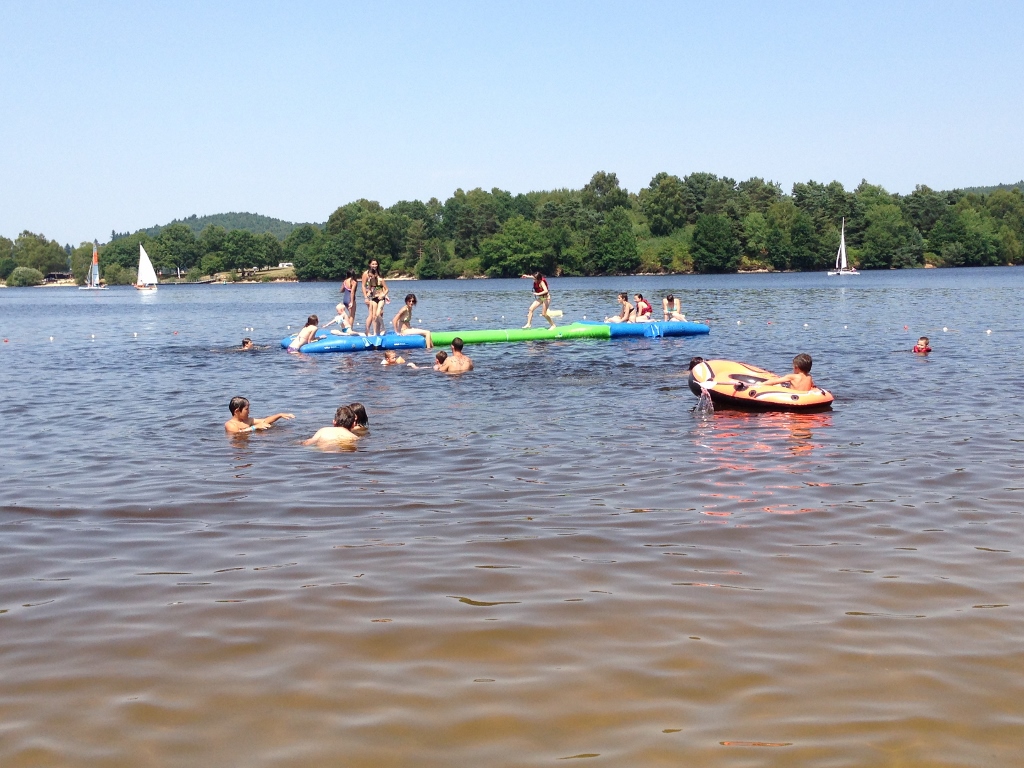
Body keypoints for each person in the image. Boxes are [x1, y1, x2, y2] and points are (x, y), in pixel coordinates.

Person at [224, 396, 295, 434]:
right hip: (238, 449)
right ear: (237, 411)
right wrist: (255, 427)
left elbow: (265, 421)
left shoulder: (248, 420)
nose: (249, 411)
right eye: (246, 409)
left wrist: (279, 415)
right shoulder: (230, 424)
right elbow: (237, 434)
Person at [361, 260, 389, 336]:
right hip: (370, 296)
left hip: (379, 295)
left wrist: (385, 295)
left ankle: (378, 331)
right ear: (369, 264)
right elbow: (363, 286)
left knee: (380, 313)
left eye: (376, 264)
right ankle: (368, 331)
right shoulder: (366, 274)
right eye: (373, 264)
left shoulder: (379, 274)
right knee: (372, 314)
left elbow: (381, 286)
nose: (374, 265)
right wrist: (365, 297)